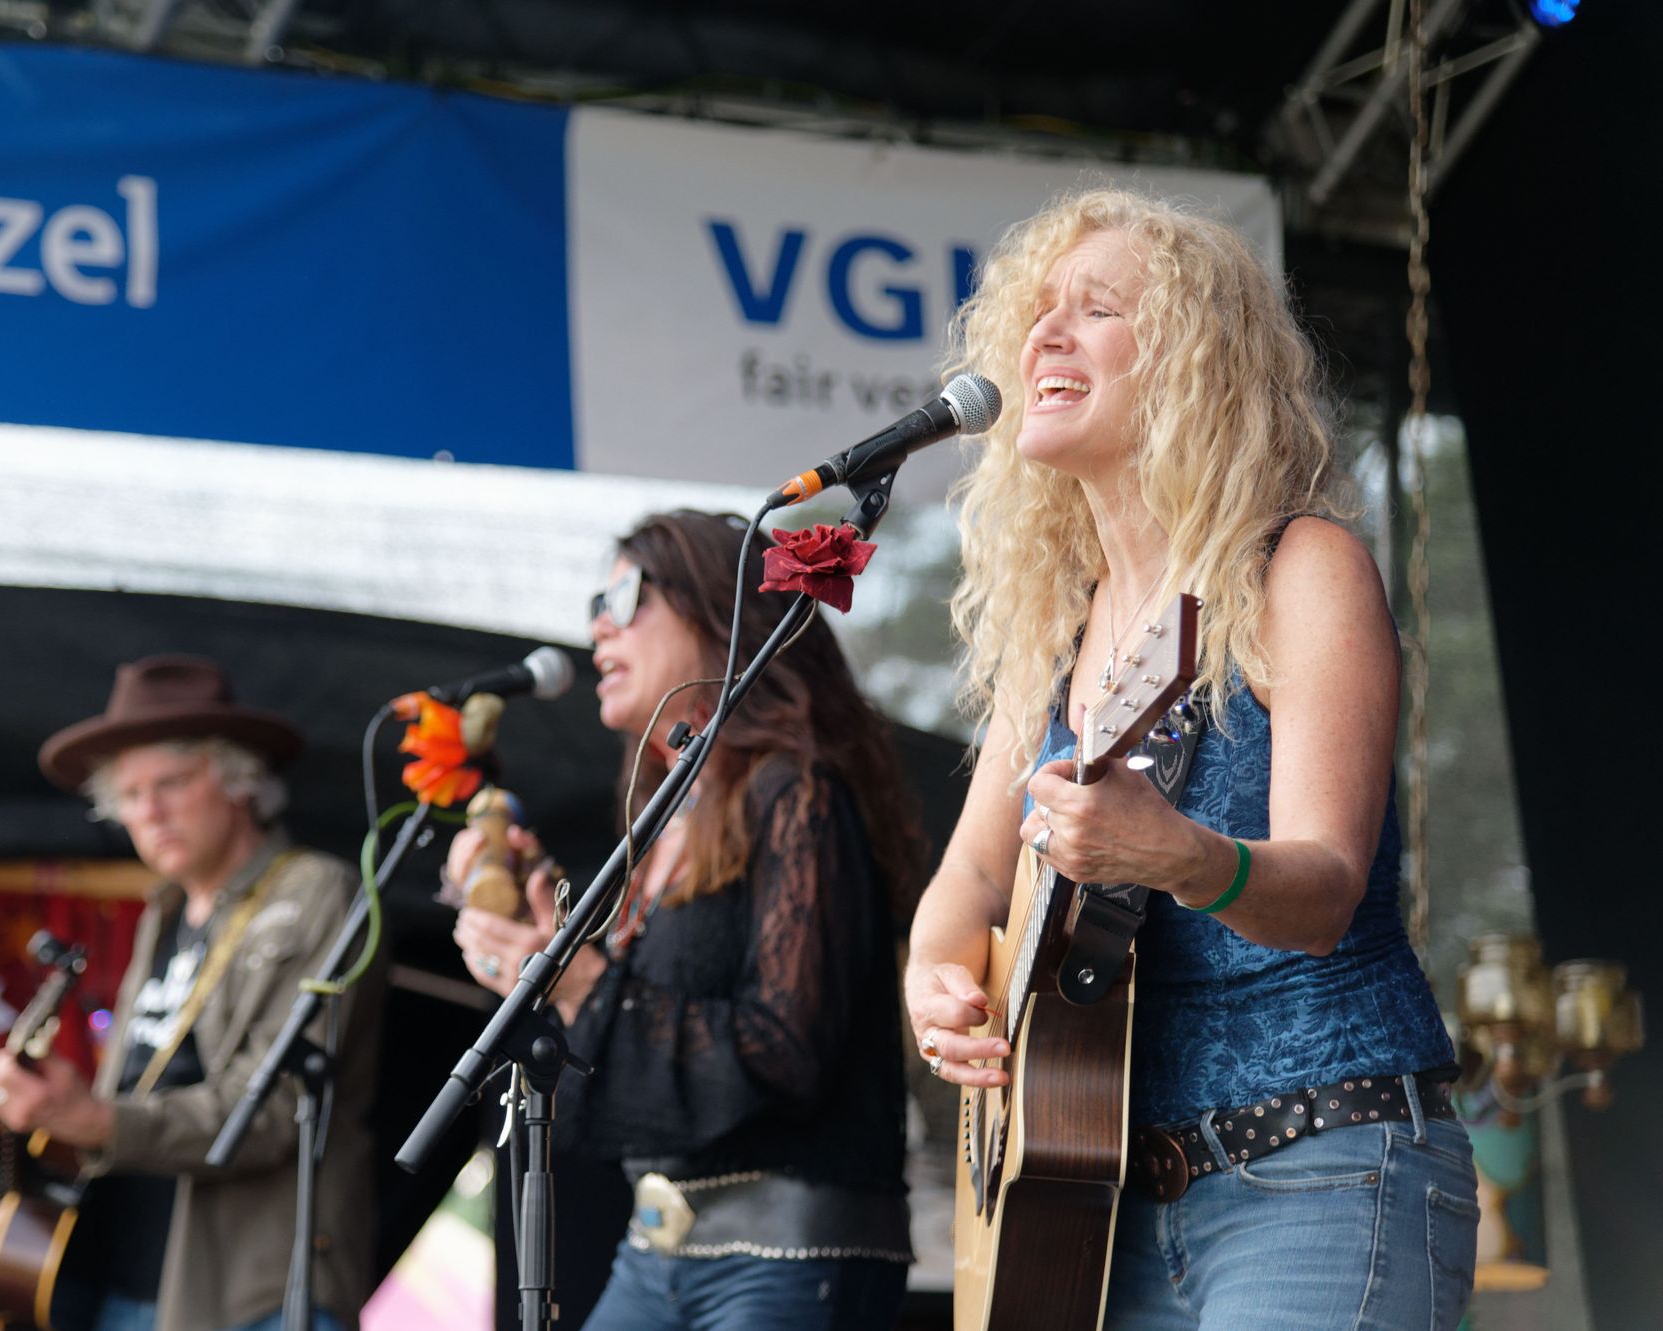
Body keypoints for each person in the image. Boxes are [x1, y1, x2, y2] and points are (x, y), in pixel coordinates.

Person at [902, 190, 1478, 1329]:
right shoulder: (1055, 628)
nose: (1045, 334)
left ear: (1190, 360)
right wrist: (935, 979)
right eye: (1039, 312)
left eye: (1097, 310)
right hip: (1106, 1203)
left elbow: (1323, 889)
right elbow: (966, 879)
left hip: (1319, 1165)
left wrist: (1177, 853)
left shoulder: (1297, 567)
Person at [449, 510, 924, 1330]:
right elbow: (635, 1037)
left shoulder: (796, 792)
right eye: (596, 604)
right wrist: (542, 942)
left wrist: (582, 980)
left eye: (626, 596)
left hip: (788, 1255)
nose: (598, 625)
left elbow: (784, 1049)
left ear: (716, 612)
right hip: (655, 1250)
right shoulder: (664, 824)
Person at [0, 654, 383, 1331]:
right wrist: (24, 1223)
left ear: (239, 780)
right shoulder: (164, 913)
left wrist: (97, 1121)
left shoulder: (313, 894)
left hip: (253, 1295)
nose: (148, 812)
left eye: (172, 782)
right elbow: (137, 1097)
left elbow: (272, 1110)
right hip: (127, 1285)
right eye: (129, 794)